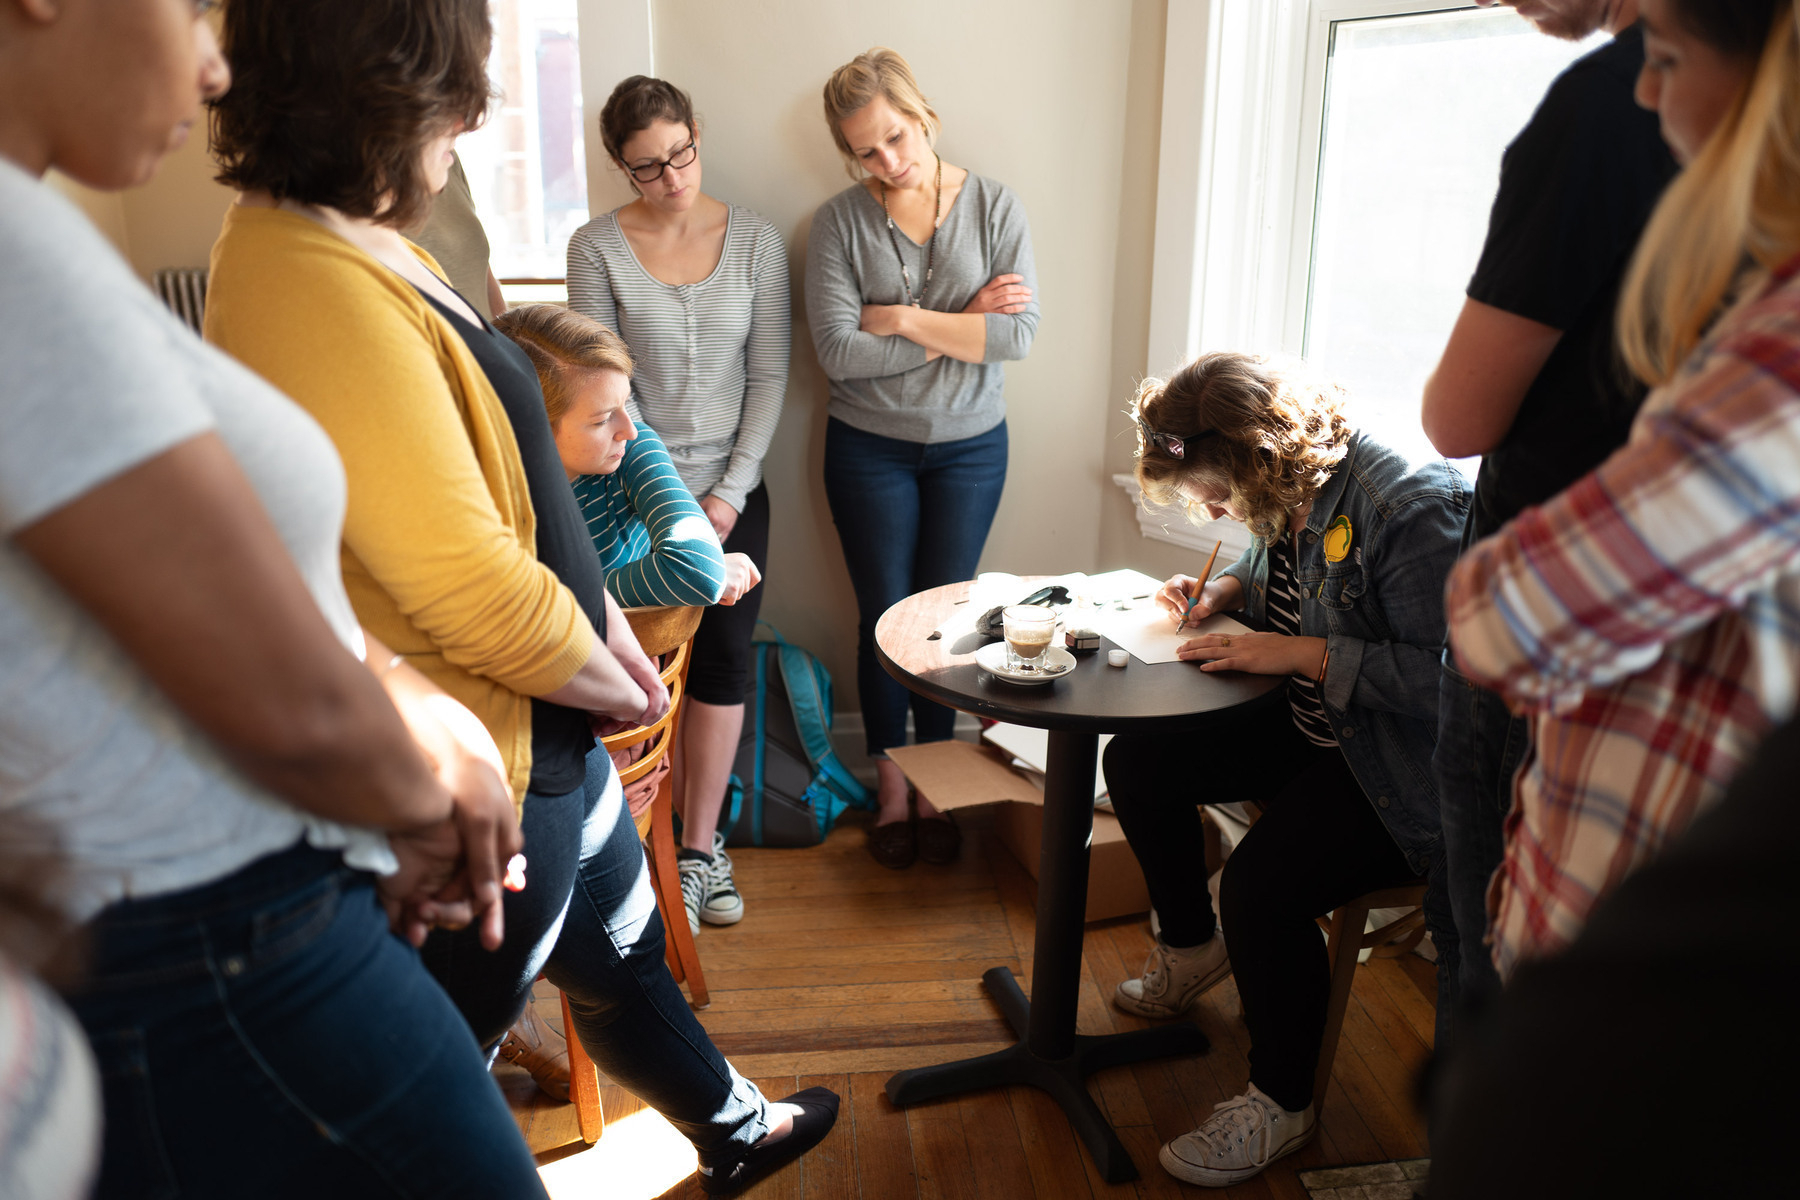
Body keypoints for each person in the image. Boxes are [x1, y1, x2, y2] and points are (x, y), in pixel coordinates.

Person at [202, 1, 837, 1191]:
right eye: (456, 95)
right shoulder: (302, 276)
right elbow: (464, 577)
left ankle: (739, 1130)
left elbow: (513, 507)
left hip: (547, 727)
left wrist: (598, 642)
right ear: (381, 93)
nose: (470, 122)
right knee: (445, 1076)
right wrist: (617, 675)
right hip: (495, 748)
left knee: (626, 959)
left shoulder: (366, 240)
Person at [1, 1, 543, 1195]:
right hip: (209, 943)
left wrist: (407, 717)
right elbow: (287, 701)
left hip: (240, 915)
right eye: (191, 11)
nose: (211, 66)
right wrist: (428, 805)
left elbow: (211, 598)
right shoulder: (15, 258)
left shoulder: (43, 236)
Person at [1445, 0, 1800, 977]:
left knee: (1492, 987)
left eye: (1671, 58)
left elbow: (1457, 429)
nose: (1650, 85)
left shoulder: (1593, 110)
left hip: (1578, 673)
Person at [1103, 353, 1467, 1188]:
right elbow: (1281, 562)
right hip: (1314, 733)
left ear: (1263, 457)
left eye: (1214, 494)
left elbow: (1458, 684)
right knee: (1136, 762)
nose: (1211, 509)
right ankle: (1192, 950)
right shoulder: (1292, 485)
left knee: (1261, 888)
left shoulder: (1409, 507)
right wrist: (1228, 587)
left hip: (1396, 768)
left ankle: (1282, 1103)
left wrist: (1301, 651)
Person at [1422, 0, 1679, 1019]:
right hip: (1659, 609)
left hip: (1542, 606)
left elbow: (1457, 417)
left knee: (1493, 953)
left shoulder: (1608, 101)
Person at [807, 47, 1040, 869]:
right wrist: (958, 322)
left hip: (971, 451)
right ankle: (892, 786)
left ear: (924, 115)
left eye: (897, 138)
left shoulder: (994, 206)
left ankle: (937, 779)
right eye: (866, 151)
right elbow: (838, 353)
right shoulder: (838, 222)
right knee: (883, 618)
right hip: (868, 448)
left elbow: (1013, 337)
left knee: (944, 622)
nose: (889, 162)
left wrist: (899, 320)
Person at [567, 75, 786, 928]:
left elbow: (769, 377)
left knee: (725, 663)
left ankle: (700, 851)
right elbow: (600, 389)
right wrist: (671, 501)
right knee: (640, 666)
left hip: (736, 489)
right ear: (623, 169)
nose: (671, 178)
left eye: (681, 155)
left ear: (698, 133)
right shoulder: (597, 248)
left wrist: (725, 496)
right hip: (630, 488)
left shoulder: (758, 240)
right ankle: (632, 852)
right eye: (647, 168)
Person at [496, 302, 762, 610]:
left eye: (626, 402)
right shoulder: (488, 486)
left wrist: (555, 602)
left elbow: (697, 569)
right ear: (532, 425)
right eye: (602, 419)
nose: (629, 430)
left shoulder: (633, 452)